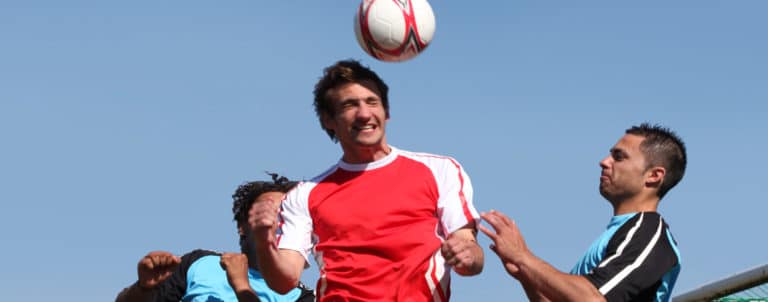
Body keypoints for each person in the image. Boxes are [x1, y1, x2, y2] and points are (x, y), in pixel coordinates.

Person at [248, 59, 484, 301]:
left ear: (386, 111)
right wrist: (263, 239)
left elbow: (470, 257)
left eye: (372, 102)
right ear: (328, 120)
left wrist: (468, 254)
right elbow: (285, 281)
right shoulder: (305, 194)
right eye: (350, 105)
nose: (364, 114)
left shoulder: (439, 170)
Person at [480, 123, 687, 302]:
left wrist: (524, 258)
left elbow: (593, 299)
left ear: (654, 176)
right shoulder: (622, 232)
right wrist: (525, 274)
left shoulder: (649, 232)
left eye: (619, 157)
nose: (604, 162)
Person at [115, 174, 315, 302]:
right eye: (267, 212)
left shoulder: (302, 297)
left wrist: (241, 286)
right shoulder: (199, 263)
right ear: (242, 227)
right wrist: (143, 287)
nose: (275, 222)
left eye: (286, 216)